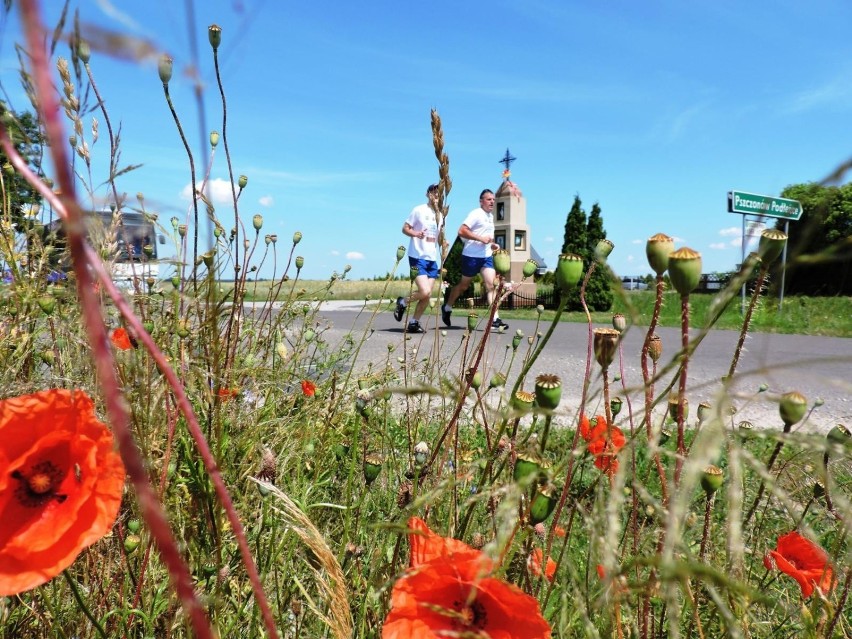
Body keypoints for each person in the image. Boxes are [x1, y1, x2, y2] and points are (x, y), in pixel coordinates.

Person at [441, 189, 508, 330]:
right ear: (481, 201)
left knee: (491, 285)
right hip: (471, 256)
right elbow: (461, 231)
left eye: (493, 199)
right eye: (489, 199)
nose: (492, 202)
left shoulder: (490, 217)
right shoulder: (476, 214)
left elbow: (487, 237)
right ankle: (447, 307)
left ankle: (495, 319)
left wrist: (492, 244)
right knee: (464, 286)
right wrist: (480, 239)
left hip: (486, 256)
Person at [394, 184, 440, 333]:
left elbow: (438, 235)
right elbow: (404, 228)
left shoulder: (441, 214)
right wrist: (416, 233)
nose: (435, 195)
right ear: (427, 194)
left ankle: (414, 322)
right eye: (433, 192)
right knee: (425, 291)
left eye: (438, 193)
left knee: (427, 295)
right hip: (417, 255)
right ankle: (403, 301)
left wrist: (443, 242)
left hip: (432, 258)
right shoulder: (419, 210)